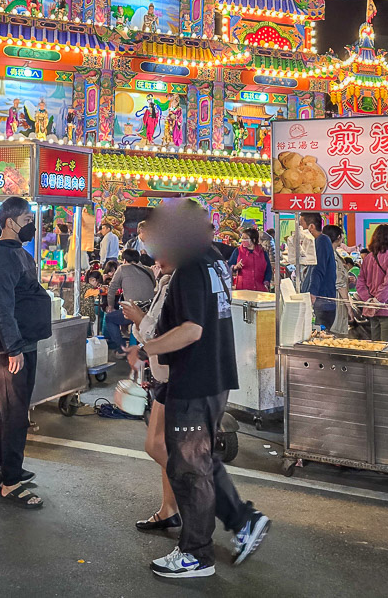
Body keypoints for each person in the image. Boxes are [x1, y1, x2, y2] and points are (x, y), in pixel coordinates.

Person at [127, 200, 270, 579]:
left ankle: (196, 554)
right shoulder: (214, 259)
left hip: (195, 378)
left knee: (190, 468)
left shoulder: (190, 267)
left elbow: (192, 329)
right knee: (197, 462)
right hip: (215, 375)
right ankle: (239, 522)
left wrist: (146, 348)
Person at [0, 197, 51, 509]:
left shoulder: (15, 252)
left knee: (11, 412)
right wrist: (13, 348)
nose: (31, 223)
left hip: (17, 344)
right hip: (8, 349)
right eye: (26, 218)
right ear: (10, 222)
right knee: (16, 415)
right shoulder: (3, 255)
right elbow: (2, 306)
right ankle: (11, 482)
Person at [121, 257, 180, 533]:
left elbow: (164, 332)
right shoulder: (166, 281)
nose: (157, 259)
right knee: (163, 444)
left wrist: (139, 319)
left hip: (175, 375)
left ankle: (210, 495)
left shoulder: (181, 282)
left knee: (159, 446)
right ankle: (170, 508)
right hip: (164, 374)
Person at [354, 223, 388, 342]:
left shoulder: (368, 258)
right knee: (387, 346)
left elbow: (360, 282)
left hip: (371, 309)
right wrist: (378, 300)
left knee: (375, 345)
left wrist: (369, 300)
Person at [105, 248, 156, 355]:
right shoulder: (149, 270)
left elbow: (112, 289)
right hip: (150, 311)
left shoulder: (122, 269)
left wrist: (110, 306)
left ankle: (122, 348)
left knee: (109, 318)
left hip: (134, 311)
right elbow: (154, 286)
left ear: (124, 260)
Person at [300, 213, 338, 329]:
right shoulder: (316, 242)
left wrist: (312, 293)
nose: (301, 229)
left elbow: (318, 269)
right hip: (318, 300)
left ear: (311, 227)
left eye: (302, 225)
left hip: (323, 301)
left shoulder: (322, 241)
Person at [229, 227, 271, 291]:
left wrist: (266, 282)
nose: (243, 240)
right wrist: (235, 267)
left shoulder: (262, 252)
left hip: (260, 289)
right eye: (242, 238)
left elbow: (268, 269)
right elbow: (228, 266)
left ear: (253, 240)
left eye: (245, 238)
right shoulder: (237, 251)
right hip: (242, 289)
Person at [282, 212, 318, 285]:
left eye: (301, 225)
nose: (299, 228)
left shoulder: (317, 242)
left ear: (311, 227)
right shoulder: (303, 240)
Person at [79, 268, 105, 334]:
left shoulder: (84, 286)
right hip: (85, 315)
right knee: (87, 334)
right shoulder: (88, 289)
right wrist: (103, 289)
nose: (97, 285)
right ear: (93, 280)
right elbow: (97, 292)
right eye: (98, 283)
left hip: (84, 316)